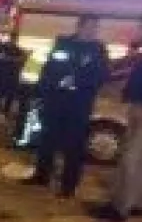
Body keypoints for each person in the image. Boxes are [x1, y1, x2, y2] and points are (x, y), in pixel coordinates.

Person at [21, 15, 110, 198]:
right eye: (89, 27)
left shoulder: (98, 50)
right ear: (79, 26)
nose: (92, 31)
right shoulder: (63, 43)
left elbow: (101, 76)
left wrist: (77, 82)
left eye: (95, 28)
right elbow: (49, 68)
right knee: (48, 138)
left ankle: (68, 186)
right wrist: (50, 86)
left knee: (74, 145)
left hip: (79, 104)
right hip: (56, 100)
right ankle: (41, 175)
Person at [92, 19, 142, 222]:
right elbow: (120, 70)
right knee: (136, 160)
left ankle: (120, 208)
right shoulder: (139, 55)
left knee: (130, 159)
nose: (138, 31)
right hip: (136, 106)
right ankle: (135, 203)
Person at [0, 32, 27, 119]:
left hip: (12, 76)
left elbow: (22, 60)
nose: (13, 40)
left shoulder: (18, 50)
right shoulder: (2, 48)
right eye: (12, 38)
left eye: (14, 39)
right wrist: (14, 59)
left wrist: (10, 59)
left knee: (9, 96)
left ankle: (5, 112)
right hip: (1, 76)